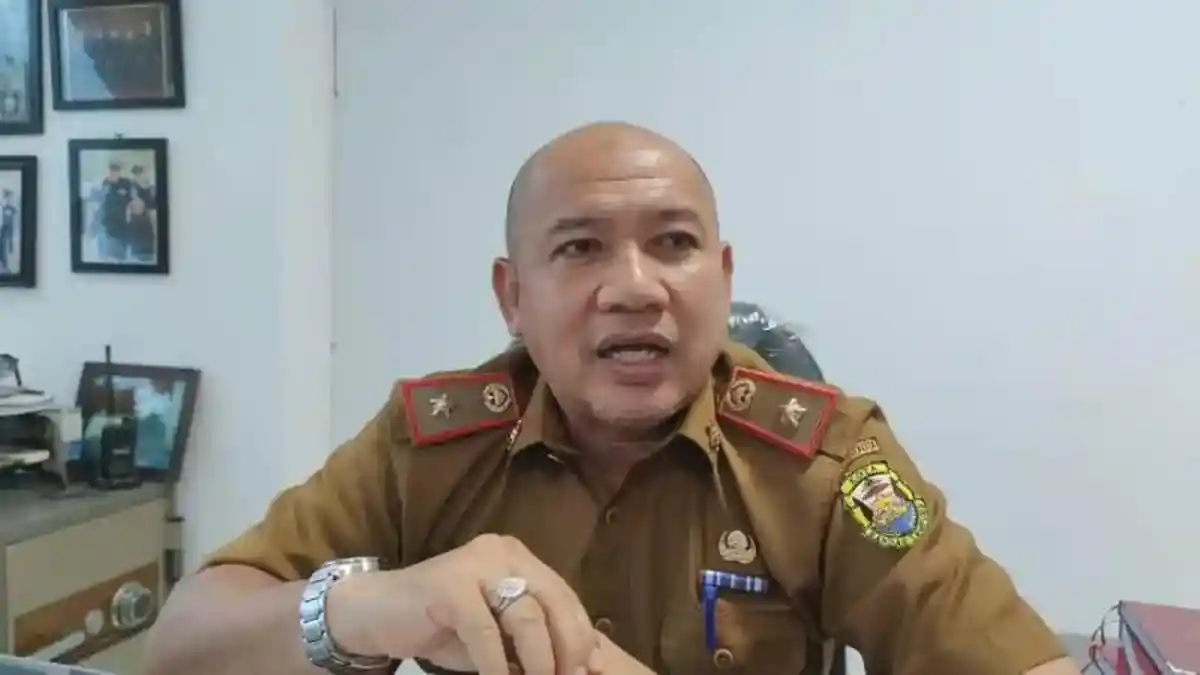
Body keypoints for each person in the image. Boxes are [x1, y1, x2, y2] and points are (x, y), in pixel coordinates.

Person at [142, 122, 1080, 675]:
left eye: (673, 243)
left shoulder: (826, 462)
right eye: (580, 247)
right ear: (513, 297)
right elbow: (183, 644)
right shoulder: (428, 447)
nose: (635, 287)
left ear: (721, 277)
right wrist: (372, 605)